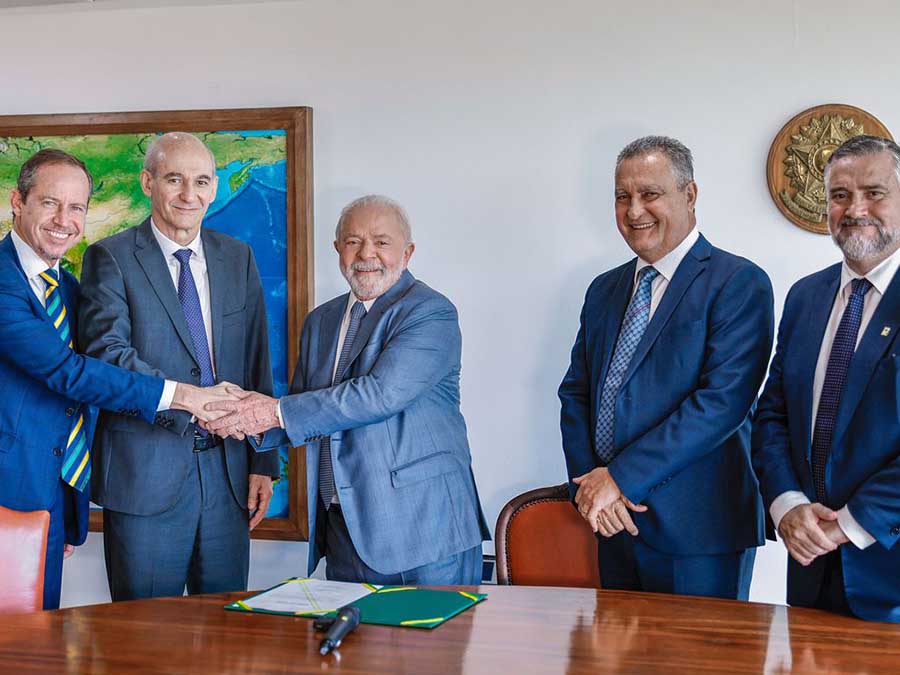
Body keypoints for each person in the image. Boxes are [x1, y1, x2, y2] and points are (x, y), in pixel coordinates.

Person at [203, 194, 490, 584]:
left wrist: (268, 412)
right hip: (343, 531)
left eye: (381, 242)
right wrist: (233, 416)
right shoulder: (321, 321)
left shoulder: (430, 312)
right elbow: (304, 408)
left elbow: (379, 395)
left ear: (408, 252)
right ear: (338, 250)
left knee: (432, 646)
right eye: (353, 241)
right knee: (351, 646)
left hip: (424, 532)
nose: (366, 253)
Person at [0, 148, 225, 609]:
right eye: (49, 203)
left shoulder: (66, 288)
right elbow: (68, 374)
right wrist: (185, 396)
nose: (64, 219)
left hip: (47, 496)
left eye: (77, 207)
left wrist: (64, 507)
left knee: (36, 643)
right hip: (6, 498)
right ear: (17, 201)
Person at [559, 136, 774, 598]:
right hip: (612, 522)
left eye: (650, 194)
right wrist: (591, 486)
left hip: (699, 531)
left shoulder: (738, 282)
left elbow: (720, 404)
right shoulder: (603, 289)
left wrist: (618, 478)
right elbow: (576, 393)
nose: (634, 210)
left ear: (690, 195)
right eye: (622, 196)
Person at [77, 132, 279, 600]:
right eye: (175, 179)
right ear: (148, 182)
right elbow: (107, 354)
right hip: (145, 473)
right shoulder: (110, 257)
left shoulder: (237, 257)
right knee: (145, 637)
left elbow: (255, 358)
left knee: (226, 639)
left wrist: (263, 460)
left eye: (202, 181)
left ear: (214, 188)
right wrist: (187, 400)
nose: (190, 195)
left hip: (228, 477)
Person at [753, 134, 900, 622]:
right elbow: (772, 414)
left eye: (874, 192)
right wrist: (788, 504)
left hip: (889, 569)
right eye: (840, 195)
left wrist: (849, 525)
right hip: (810, 568)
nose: (855, 208)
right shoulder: (805, 297)